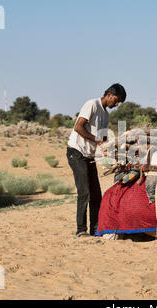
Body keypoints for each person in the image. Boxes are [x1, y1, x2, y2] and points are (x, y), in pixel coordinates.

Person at [67, 83, 126, 238]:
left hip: (89, 156)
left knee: (96, 194)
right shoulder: (92, 104)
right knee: (84, 192)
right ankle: (81, 230)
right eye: (117, 100)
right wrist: (97, 139)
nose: (117, 104)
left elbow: (102, 138)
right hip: (76, 152)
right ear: (109, 95)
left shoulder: (106, 115)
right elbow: (78, 127)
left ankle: (95, 230)